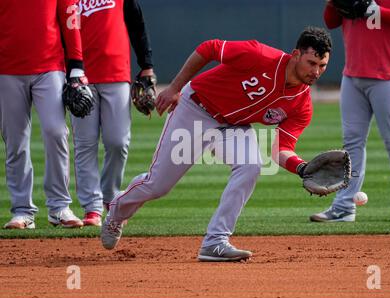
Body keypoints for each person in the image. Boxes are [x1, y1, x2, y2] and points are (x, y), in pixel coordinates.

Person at [101, 26, 332, 261]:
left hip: (233, 125)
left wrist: (302, 168)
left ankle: (215, 241)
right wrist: (174, 88)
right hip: (196, 109)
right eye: (311, 63)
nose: (316, 71)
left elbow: (281, 149)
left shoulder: (302, 104)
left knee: (251, 166)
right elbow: (209, 48)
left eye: (322, 66)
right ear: (295, 55)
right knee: (158, 186)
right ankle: (117, 211)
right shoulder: (260, 55)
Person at [310, 0, 390, 223]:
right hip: (353, 73)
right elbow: (331, 21)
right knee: (351, 143)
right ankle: (344, 206)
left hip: (389, 73)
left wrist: (377, 11)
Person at [0, 0, 87, 229]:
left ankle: (59, 207)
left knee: (56, 131)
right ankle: (22, 211)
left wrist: (76, 64)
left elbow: (70, 17)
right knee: (15, 140)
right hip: (6, 68)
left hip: (50, 65)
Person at [72, 0, 155, 227]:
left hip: (116, 71)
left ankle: (110, 197)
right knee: (85, 143)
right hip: (80, 75)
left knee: (118, 141)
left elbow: (137, 25)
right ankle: (92, 207)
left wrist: (146, 64)